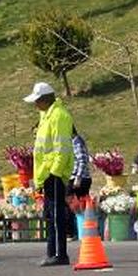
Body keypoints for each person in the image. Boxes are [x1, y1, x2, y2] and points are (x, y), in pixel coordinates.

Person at [24, 81, 74, 266]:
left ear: (45, 99)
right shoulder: (46, 115)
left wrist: (55, 172)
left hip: (54, 173)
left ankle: (60, 254)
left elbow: (63, 147)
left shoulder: (59, 116)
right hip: (46, 173)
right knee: (50, 216)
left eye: (37, 101)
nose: (35, 105)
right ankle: (51, 252)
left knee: (56, 216)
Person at [68, 126, 92, 239]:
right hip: (77, 176)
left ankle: (78, 231)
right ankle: (79, 230)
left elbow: (82, 159)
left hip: (79, 178)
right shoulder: (73, 141)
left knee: (76, 204)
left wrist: (78, 176)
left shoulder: (76, 141)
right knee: (77, 206)